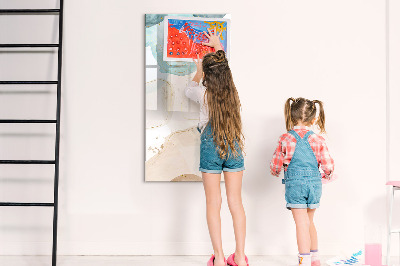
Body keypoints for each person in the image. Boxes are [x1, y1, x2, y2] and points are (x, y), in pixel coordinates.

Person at [185, 28, 248, 266]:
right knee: (236, 202)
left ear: (208, 77)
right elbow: (224, 69)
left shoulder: (203, 95)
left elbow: (188, 89)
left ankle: (220, 258)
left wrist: (199, 70)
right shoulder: (233, 94)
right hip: (233, 146)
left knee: (214, 203)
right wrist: (218, 46)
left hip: (211, 148)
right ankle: (240, 257)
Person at [270, 98, 335, 266]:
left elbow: (275, 164)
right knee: (309, 222)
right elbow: (328, 165)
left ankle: (304, 261)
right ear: (313, 120)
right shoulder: (318, 139)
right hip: (314, 185)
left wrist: (275, 171)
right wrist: (327, 176)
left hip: (295, 186)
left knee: (301, 224)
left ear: (291, 117)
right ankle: (315, 260)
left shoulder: (285, 138)